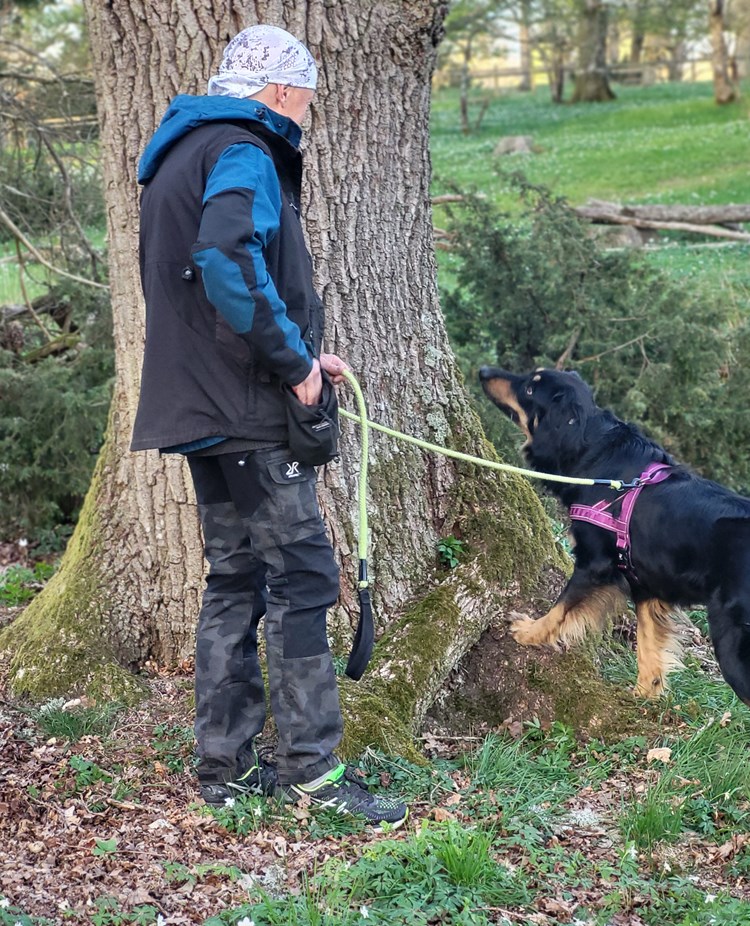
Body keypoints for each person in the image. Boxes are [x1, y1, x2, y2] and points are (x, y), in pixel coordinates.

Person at [131, 24, 407, 829]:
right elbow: (224, 259)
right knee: (303, 577)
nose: (309, 112)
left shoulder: (183, 150)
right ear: (282, 92)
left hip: (203, 409)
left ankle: (224, 766)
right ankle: (313, 776)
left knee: (236, 577)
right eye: (308, 98)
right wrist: (294, 367)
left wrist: (308, 355)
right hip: (248, 412)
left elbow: (207, 279)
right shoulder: (247, 148)